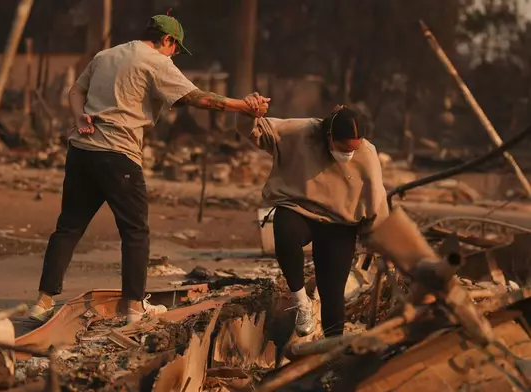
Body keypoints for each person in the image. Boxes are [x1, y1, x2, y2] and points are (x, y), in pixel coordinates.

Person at [30, 14, 266, 324]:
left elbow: (76, 92)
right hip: (118, 155)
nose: (174, 57)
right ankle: (133, 307)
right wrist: (245, 106)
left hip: (82, 151)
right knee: (135, 232)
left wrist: (79, 118)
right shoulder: (156, 61)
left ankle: (42, 302)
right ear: (167, 40)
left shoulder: (107, 55)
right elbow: (197, 98)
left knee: (69, 227)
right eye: (176, 50)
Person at [236, 95, 493, 343]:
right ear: (329, 137)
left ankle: (331, 351)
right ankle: (300, 301)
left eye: (354, 149)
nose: (349, 154)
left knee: (333, 293)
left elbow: (376, 203)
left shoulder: (367, 154)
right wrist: (250, 112)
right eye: (344, 148)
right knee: (285, 229)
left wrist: (385, 245)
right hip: (299, 209)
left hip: (340, 224)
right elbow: (258, 132)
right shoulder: (302, 132)